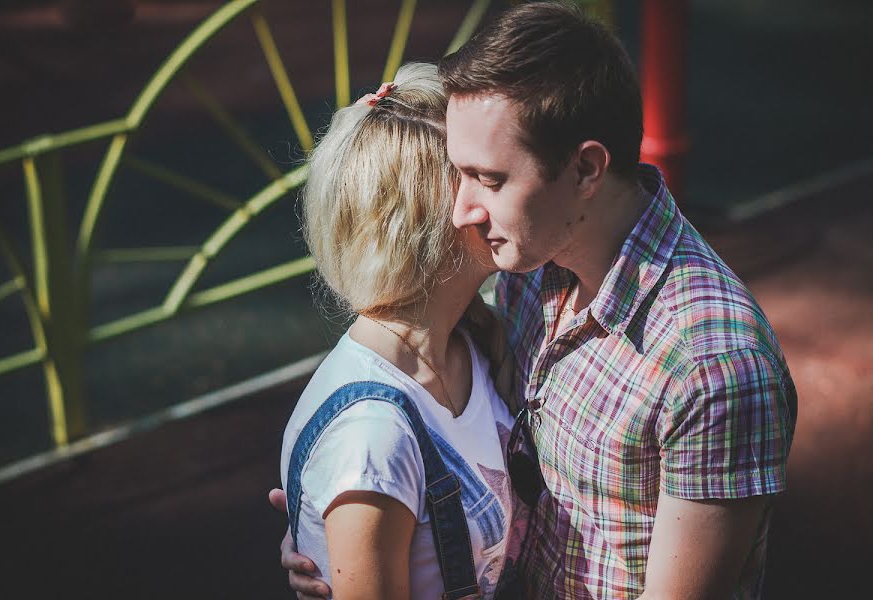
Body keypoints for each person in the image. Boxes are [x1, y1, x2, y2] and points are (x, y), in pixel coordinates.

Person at [277, 2, 798, 599]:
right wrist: (340, 533)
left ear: (584, 170)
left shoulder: (713, 368)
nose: (461, 210)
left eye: (490, 180)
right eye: (459, 174)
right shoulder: (530, 260)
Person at [278, 62, 530, 600]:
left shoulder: (468, 341)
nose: (506, 191)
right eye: (483, 177)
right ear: (426, 219)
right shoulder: (370, 439)